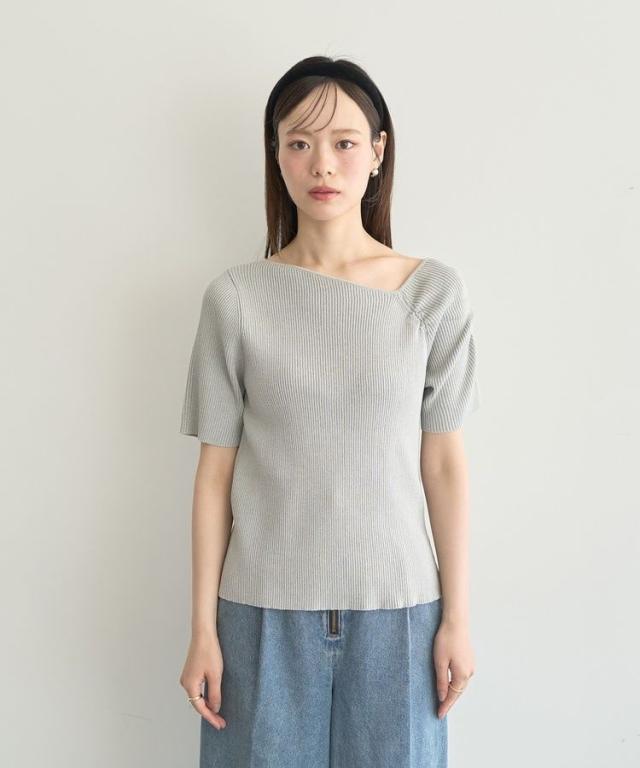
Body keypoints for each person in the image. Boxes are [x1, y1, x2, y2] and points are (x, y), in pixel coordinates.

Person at [178, 55, 481, 768]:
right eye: (299, 142)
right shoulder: (236, 299)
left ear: (378, 152)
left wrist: (458, 618)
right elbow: (214, 476)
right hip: (259, 615)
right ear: (276, 156)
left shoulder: (432, 294)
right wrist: (202, 630)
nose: (322, 163)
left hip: (401, 615)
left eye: (344, 142)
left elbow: (443, 464)